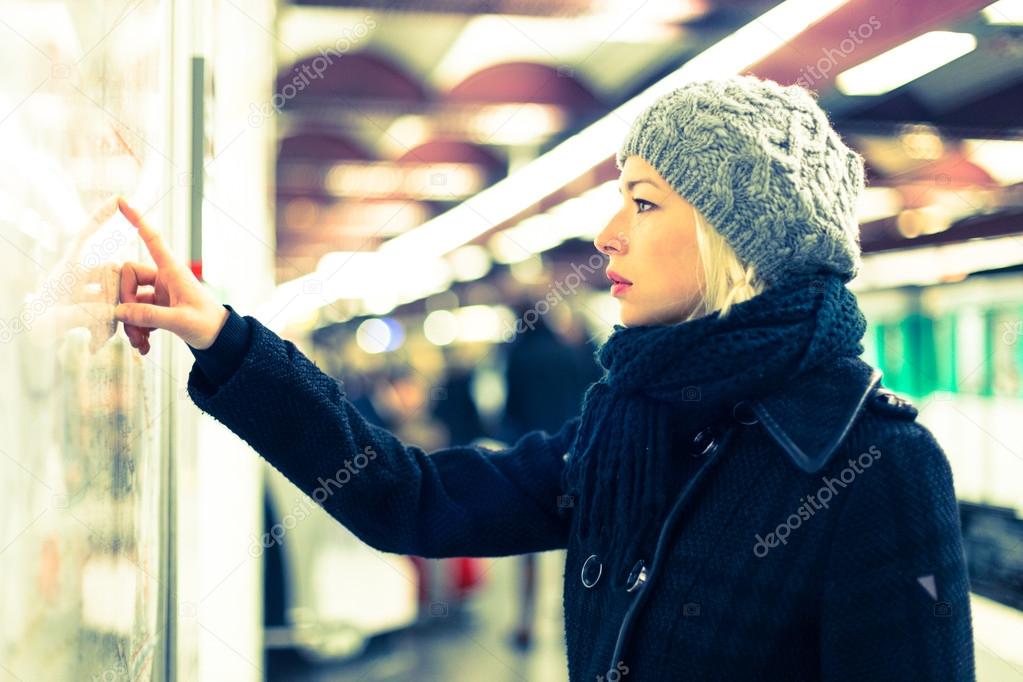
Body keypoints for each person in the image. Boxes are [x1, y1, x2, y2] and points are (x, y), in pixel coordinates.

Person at [113, 75, 975, 680]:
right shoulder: (626, 424)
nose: (606, 234)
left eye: (642, 202)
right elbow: (407, 498)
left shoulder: (873, 466)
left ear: (735, 238)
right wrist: (224, 340)